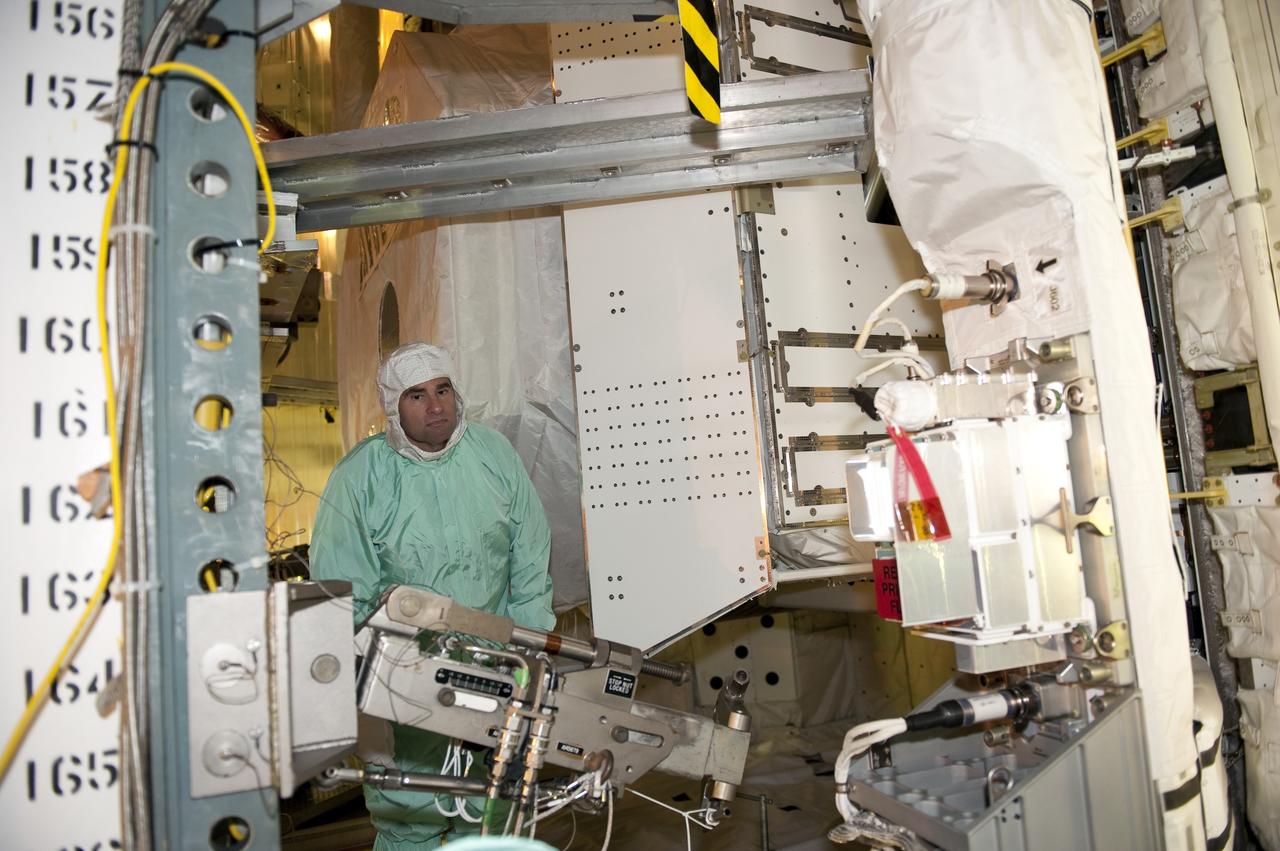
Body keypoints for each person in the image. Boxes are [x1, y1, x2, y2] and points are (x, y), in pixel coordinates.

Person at [311, 342, 555, 850]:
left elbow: (530, 553)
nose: (435, 406)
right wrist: (390, 670)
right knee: (410, 810)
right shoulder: (361, 478)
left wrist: (529, 643)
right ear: (393, 410)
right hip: (405, 675)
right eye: (416, 396)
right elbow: (345, 589)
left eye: (442, 390)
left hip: (495, 664)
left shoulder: (492, 455)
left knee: (491, 808)